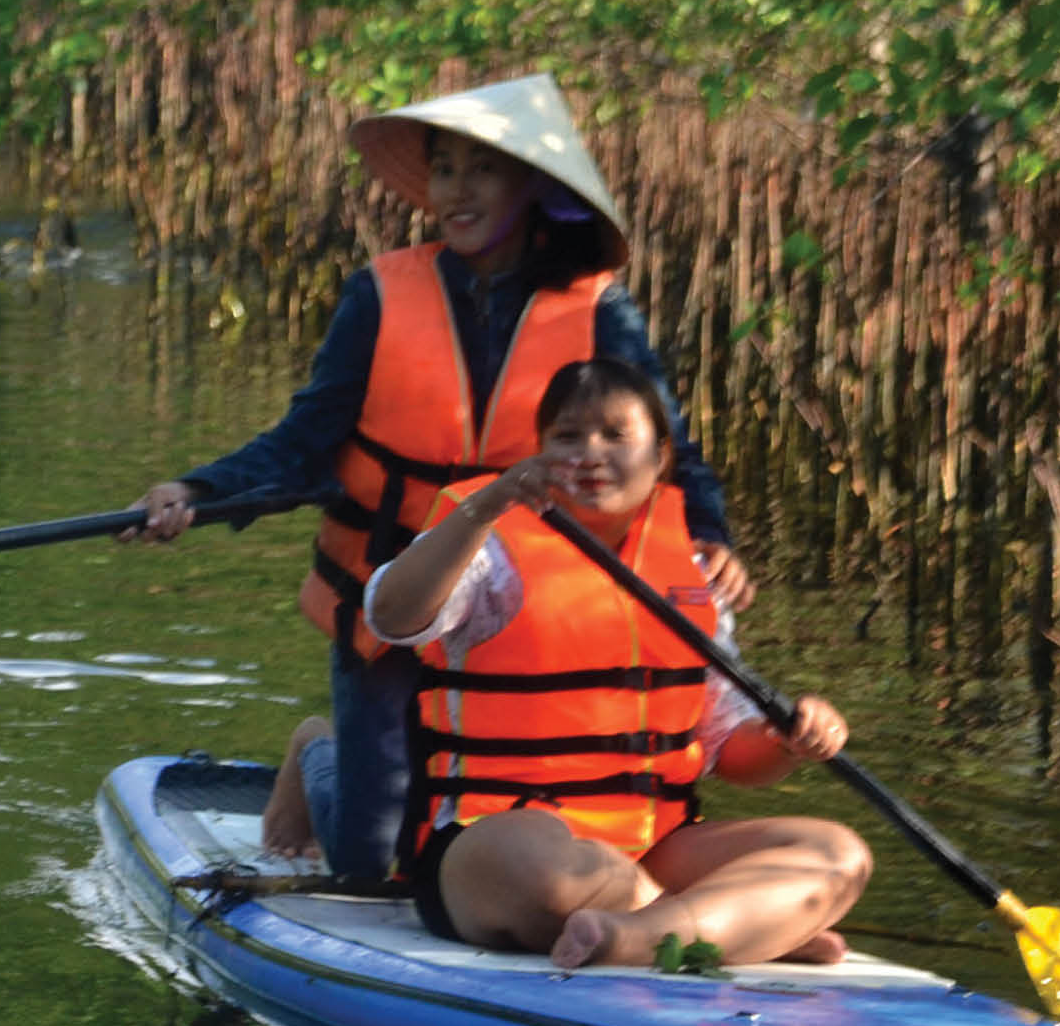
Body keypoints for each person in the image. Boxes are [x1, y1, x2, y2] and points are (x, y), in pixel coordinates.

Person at [123, 74, 747, 881]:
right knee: (368, 864)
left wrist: (711, 536)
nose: (456, 191)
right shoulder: (380, 294)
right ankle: (319, 754)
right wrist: (197, 491)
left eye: (479, 171)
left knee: (469, 842)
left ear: (532, 187)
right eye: (444, 171)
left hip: (525, 606)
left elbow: (670, 451)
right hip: (391, 594)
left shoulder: (601, 312)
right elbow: (308, 439)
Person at [355, 360, 865, 969]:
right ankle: (733, 926)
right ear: (540, 454)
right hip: (505, 839)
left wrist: (790, 740)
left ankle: (638, 936)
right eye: (567, 437)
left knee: (838, 855)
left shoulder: (696, 573)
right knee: (532, 865)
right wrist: (483, 507)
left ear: (661, 456)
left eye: (616, 435)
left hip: (656, 845)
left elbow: (730, 750)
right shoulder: (493, 547)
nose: (590, 454)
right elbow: (391, 616)